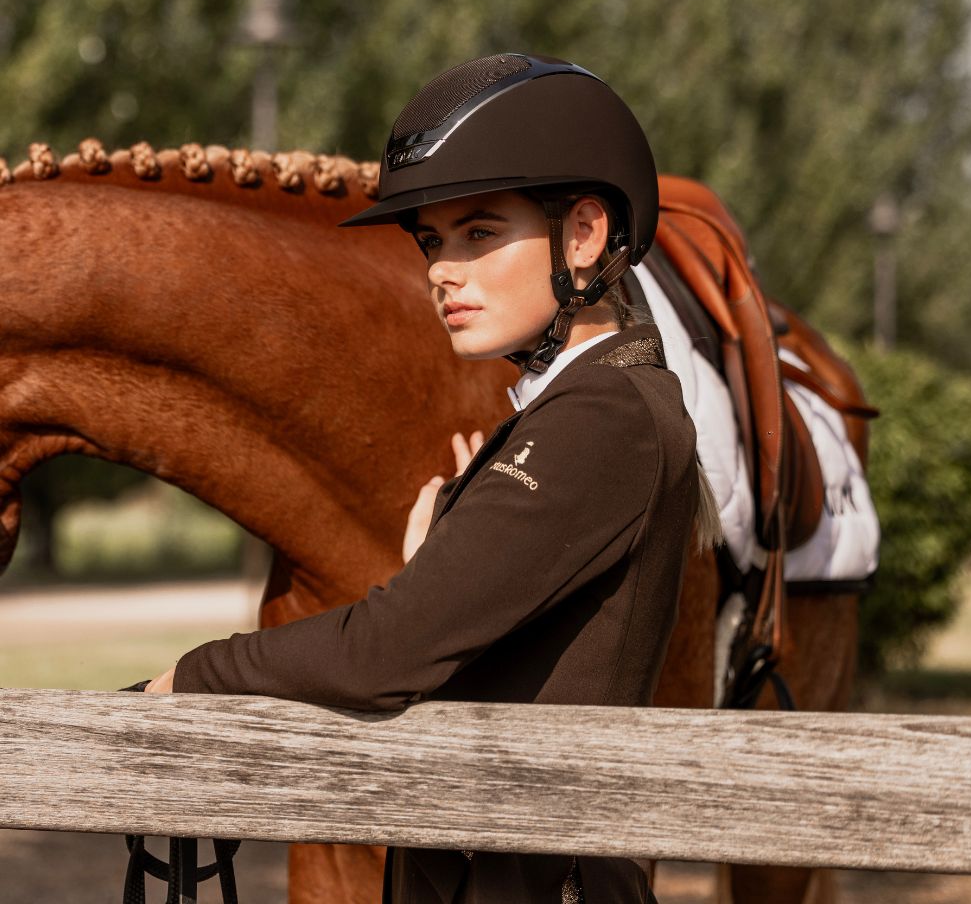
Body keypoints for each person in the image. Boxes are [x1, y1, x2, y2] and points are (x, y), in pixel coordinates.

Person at [145, 53, 715, 902]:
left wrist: (192, 678)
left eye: (479, 234)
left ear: (584, 234)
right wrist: (438, 564)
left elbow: (387, 651)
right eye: (432, 242)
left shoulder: (604, 416)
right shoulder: (583, 407)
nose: (443, 270)